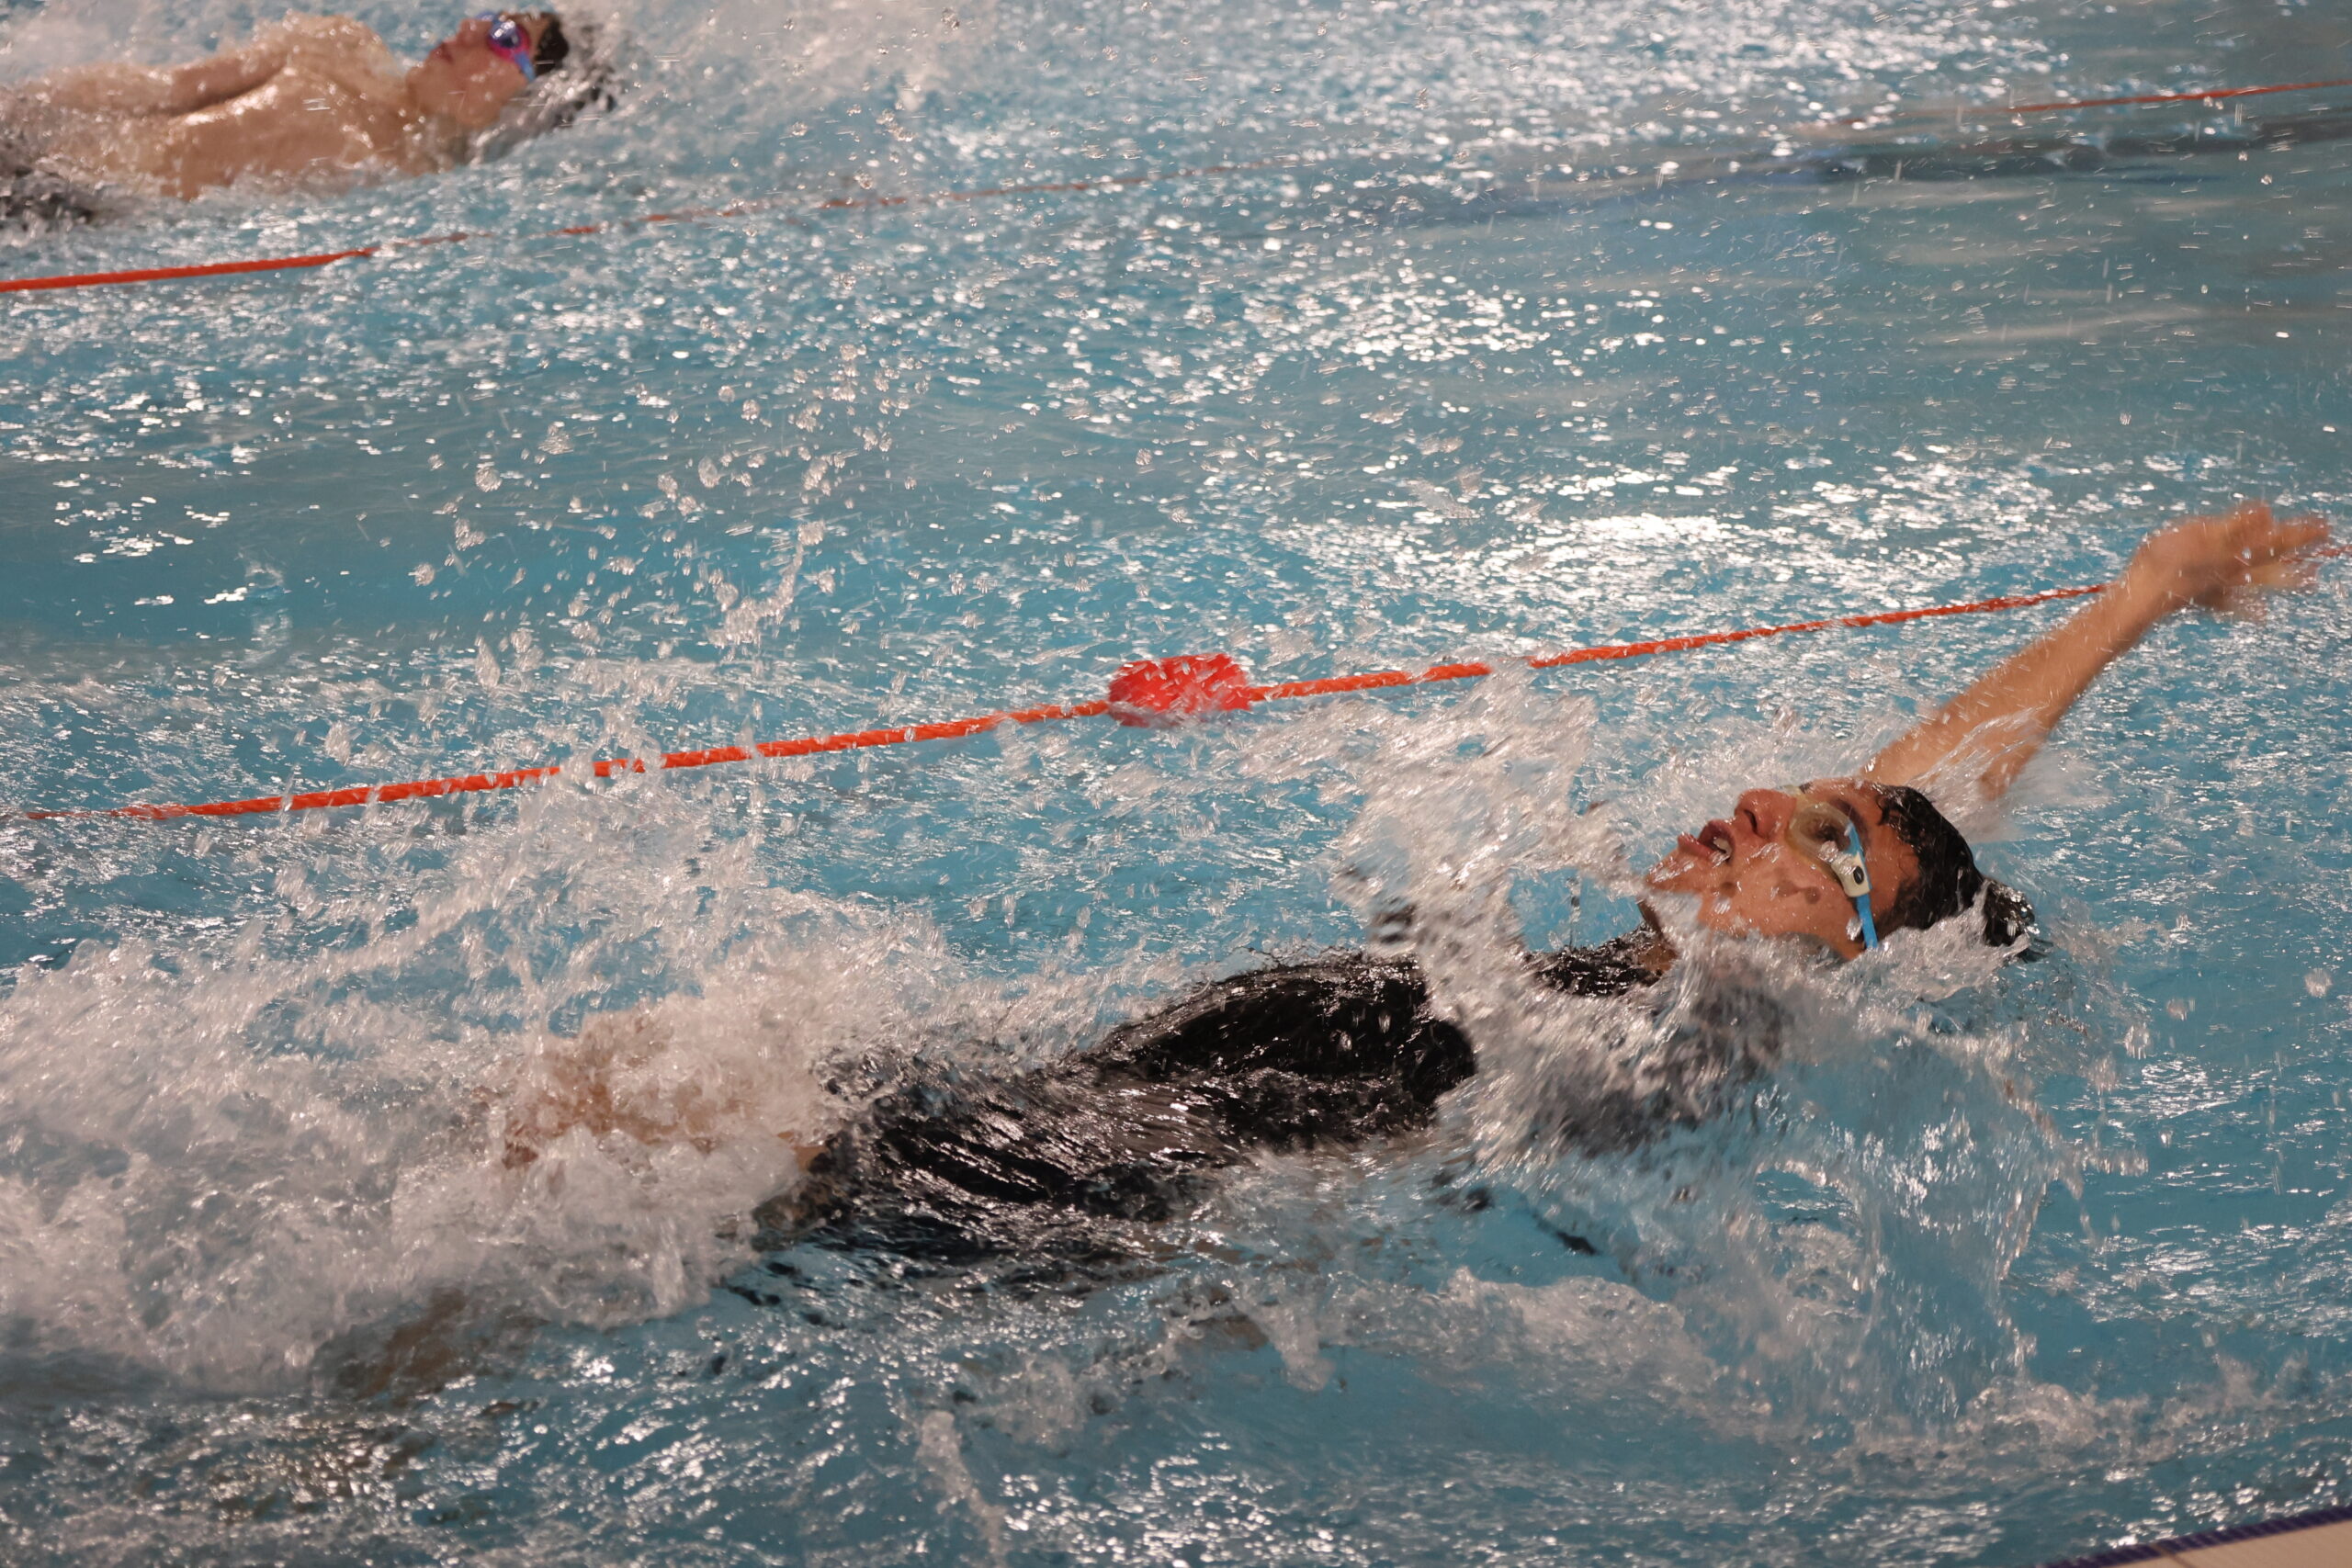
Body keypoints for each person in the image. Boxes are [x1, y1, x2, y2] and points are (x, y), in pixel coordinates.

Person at [498, 502, 2328, 1263]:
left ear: (1843, 957)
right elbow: (1932, 789)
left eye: (1810, 843)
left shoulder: (1713, 1025)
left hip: (1041, 1186)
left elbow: (1914, 852)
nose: (1761, 798)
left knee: (578, 1149)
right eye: (1794, 794)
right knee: (583, 1106)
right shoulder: (1650, 973)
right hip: (1044, 1104)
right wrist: (2139, 595)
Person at [0, 9, 612, 212]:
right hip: (29, 153)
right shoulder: (340, 45)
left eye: (508, 38)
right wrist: (19, 110)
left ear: (528, 109)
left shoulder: (399, 190)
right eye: (496, 17)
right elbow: (163, 87)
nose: (474, 25)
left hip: (69, 212)